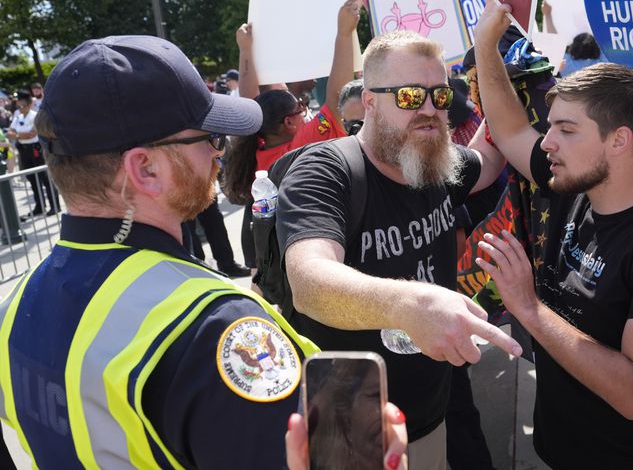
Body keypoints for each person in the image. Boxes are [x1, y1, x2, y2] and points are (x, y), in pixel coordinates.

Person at [0, 35, 409, 469]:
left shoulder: (12, 309)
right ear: (145, 168)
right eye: (211, 137)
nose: (219, 153)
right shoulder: (215, 329)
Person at [472, 0, 633, 468]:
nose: (546, 143)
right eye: (550, 127)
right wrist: (485, 47)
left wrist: (528, 308)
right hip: (557, 450)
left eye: (566, 130)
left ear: (619, 140)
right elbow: (509, 130)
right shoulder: (573, 181)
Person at [276, 29, 523, 469]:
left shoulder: (433, 159)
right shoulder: (326, 170)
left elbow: (487, 159)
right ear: (370, 102)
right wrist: (410, 303)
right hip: (357, 430)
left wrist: (499, 69)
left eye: (439, 96)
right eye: (410, 97)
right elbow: (309, 281)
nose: (429, 110)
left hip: (439, 401)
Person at [226, 0, 361, 271]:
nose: (304, 108)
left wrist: (245, 51)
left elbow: (250, 102)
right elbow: (337, 97)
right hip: (305, 243)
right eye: (300, 107)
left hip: (267, 245)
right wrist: (344, 33)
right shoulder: (302, 142)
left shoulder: (258, 145)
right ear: (289, 122)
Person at [6, 90, 60, 219]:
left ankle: (54, 205)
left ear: (29, 104)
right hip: (23, 149)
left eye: (23, 105)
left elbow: (32, 133)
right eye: (19, 105)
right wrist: (19, 135)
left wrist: (17, 135)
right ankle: (39, 206)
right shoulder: (17, 115)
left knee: (44, 177)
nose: (20, 108)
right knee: (32, 179)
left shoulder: (35, 115)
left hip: (35, 148)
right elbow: (9, 133)